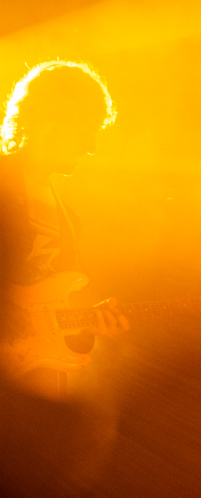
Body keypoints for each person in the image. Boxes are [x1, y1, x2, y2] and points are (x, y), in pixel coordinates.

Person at [0, 60, 129, 398]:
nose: (91, 147)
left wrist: (90, 322)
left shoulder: (69, 220)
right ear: (49, 121)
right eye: (84, 132)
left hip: (30, 379)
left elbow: (54, 313)